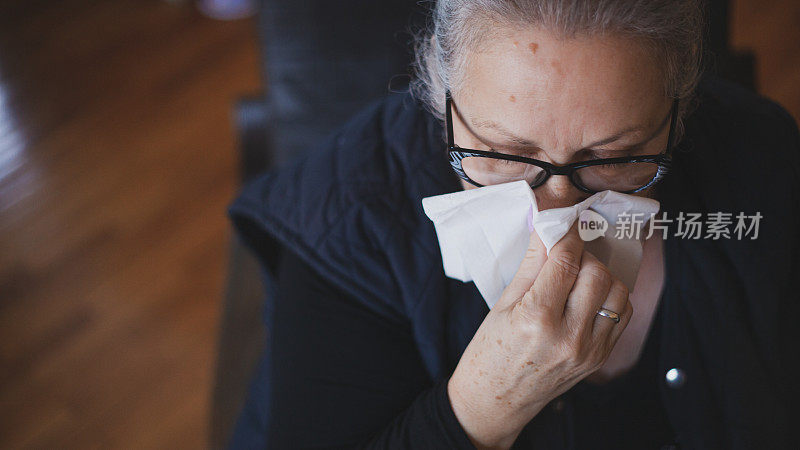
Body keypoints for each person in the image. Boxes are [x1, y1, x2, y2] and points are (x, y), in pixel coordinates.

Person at [228, 0, 800, 448]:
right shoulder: (350, 219)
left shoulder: (759, 162)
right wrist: (485, 407)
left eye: (614, 158)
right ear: (440, 92)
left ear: (679, 109)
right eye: (504, 154)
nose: (554, 215)